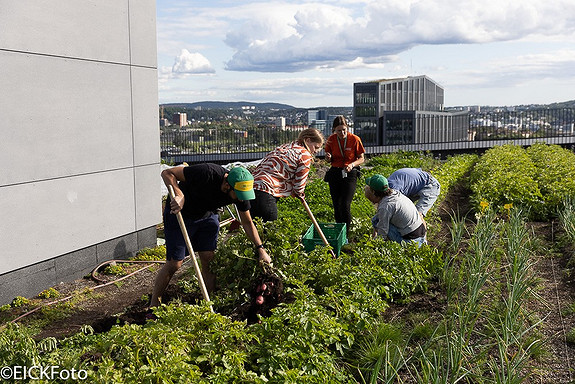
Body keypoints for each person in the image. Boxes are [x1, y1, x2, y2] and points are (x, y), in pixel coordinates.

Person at [150, 163, 271, 310]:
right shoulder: (207, 172)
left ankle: (210, 301)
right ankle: (154, 305)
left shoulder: (240, 192)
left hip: (207, 215)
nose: (240, 199)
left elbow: (247, 222)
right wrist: (179, 194)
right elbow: (167, 173)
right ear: (227, 185)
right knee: (175, 263)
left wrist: (261, 249)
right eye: (237, 195)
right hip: (180, 213)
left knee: (208, 257)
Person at [250, 128, 324, 221]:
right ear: (308, 140)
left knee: (255, 228)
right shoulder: (304, 155)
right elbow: (299, 186)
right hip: (266, 189)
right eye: (316, 147)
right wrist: (299, 193)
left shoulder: (286, 147)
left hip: (251, 188)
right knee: (269, 229)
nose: (316, 151)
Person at [323, 115, 365, 233]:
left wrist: (352, 165)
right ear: (334, 130)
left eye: (344, 130)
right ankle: (339, 231)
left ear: (347, 128)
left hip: (349, 172)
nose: (342, 133)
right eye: (339, 130)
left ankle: (346, 233)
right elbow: (328, 160)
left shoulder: (355, 139)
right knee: (336, 204)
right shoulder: (331, 139)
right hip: (335, 172)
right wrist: (328, 158)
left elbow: (361, 158)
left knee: (345, 204)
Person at [364, 174, 427, 246]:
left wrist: (373, 245)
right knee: (379, 218)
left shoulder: (385, 206)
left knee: (376, 221)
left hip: (411, 242)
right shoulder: (395, 193)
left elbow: (382, 233)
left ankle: (401, 246)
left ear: (374, 192)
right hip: (421, 235)